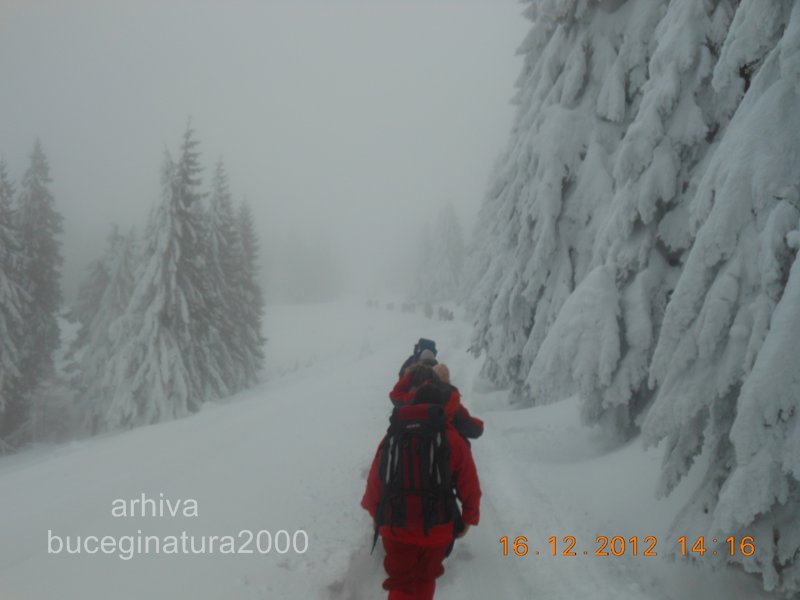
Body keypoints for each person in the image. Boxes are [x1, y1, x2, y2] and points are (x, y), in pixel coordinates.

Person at [362, 383, 481, 600]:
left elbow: (376, 480)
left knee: (401, 581)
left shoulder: (393, 436)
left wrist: (375, 513)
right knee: (425, 578)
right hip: (438, 528)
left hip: (395, 526)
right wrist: (468, 518)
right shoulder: (452, 438)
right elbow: (469, 484)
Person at [390, 362, 484, 442]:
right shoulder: (454, 400)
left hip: (414, 439)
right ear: (447, 380)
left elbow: (396, 396)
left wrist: (410, 375)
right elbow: (476, 429)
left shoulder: (418, 394)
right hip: (445, 443)